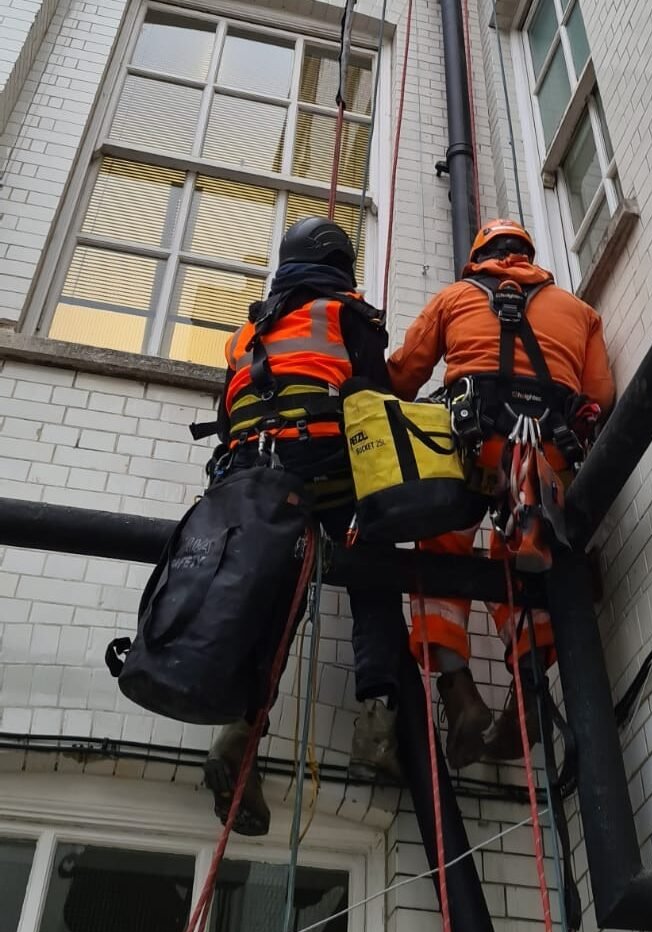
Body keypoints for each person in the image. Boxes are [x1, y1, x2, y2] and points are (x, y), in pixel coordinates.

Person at [203, 216, 408, 836]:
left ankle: (240, 734)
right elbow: (374, 401)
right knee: (374, 575)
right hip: (327, 468)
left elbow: (225, 414)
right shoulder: (353, 316)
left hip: (252, 479)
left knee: (279, 603)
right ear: (339, 265)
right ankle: (376, 724)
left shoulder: (248, 331)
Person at [386, 218, 615, 770]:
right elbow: (601, 396)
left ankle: (459, 691)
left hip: (472, 450)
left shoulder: (455, 298)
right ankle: (530, 692)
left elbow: (403, 377)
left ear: (480, 256)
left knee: (441, 547)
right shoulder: (579, 312)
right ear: (530, 257)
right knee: (521, 562)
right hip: (544, 458)